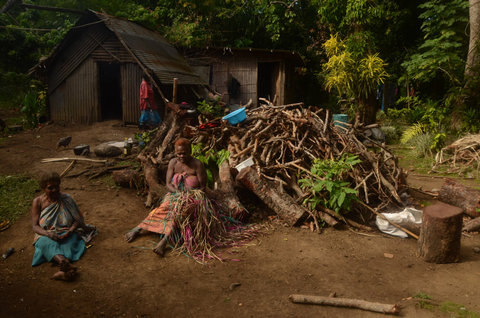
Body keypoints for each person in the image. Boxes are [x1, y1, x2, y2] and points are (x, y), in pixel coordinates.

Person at [125, 138, 207, 256]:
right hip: (175, 195)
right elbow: (168, 184)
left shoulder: (197, 164)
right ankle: (138, 229)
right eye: (179, 153)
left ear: (190, 151)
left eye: (184, 153)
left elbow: (203, 187)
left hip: (192, 198)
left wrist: (190, 196)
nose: (181, 156)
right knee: (161, 209)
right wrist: (178, 193)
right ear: (175, 152)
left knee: (181, 213)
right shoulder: (173, 162)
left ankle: (164, 241)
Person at [31, 172, 96, 281]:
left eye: (56, 186)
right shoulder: (38, 202)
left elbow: (77, 220)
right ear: (43, 188)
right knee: (43, 243)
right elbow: (35, 226)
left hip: (67, 233)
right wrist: (48, 234)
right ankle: (64, 264)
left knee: (69, 245)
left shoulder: (67, 199)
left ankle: (63, 269)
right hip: (47, 234)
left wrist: (70, 231)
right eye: (50, 188)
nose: (54, 190)